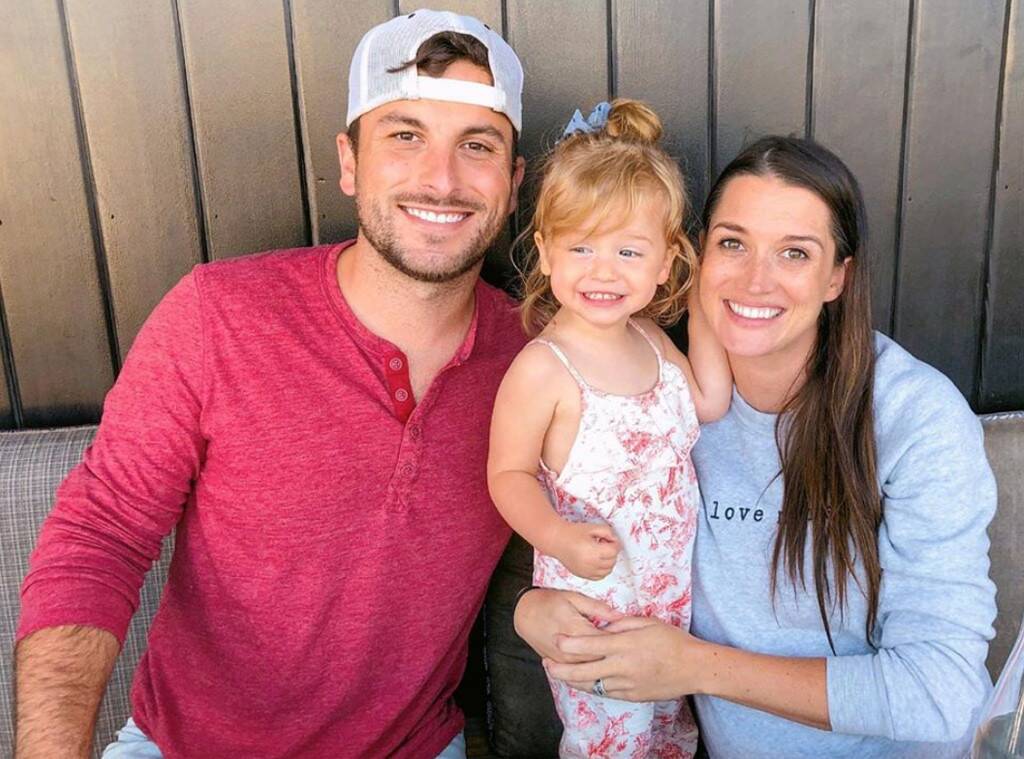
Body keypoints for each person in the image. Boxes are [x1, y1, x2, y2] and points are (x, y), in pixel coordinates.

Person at [14, 10, 526, 758]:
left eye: (476, 145)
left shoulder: (540, 359)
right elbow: (101, 534)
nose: (440, 179)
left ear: (512, 184)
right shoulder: (219, 314)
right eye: (405, 135)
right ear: (349, 162)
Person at [514, 136, 998, 758]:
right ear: (695, 258)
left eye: (794, 253)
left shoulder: (915, 418)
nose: (754, 279)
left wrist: (696, 667)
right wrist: (533, 609)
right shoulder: (661, 402)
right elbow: (595, 534)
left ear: (836, 278)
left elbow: (942, 690)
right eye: (732, 243)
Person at [488, 99, 731, 758]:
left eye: (629, 250)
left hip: (671, 596)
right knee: (610, 741)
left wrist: (708, 299)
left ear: (664, 263)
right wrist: (557, 536)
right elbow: (507, 473)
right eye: (582, 246)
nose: (604, 270)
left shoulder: (653, 340)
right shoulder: (545, 367)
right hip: (597, 603)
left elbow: (707, 400)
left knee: (668, 734)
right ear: (545, 251)